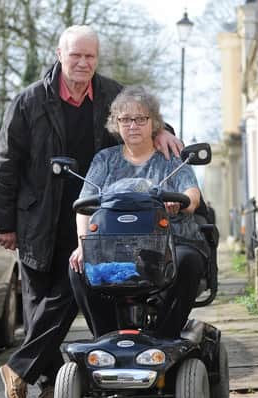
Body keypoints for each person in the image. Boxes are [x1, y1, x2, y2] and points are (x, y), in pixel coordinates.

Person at [0, 26, 182, 398]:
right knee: (40, 305)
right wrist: (3, 222)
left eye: (89, 57)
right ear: (59, 53)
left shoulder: (111, 93)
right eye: (75, 55)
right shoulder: (28, 102)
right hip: (39, 218)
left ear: (97, 58)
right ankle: (46, 386)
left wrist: (163, 133)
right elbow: (2, 167)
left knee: (72, 288)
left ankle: (20, 368)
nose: (82, 63)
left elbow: (141, 116)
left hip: (95, 220)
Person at [69, 85, 209, 339]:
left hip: (170, 242)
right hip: (116, 246)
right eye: (125, 119)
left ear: (153, 122)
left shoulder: (170, 158)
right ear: (116, 124)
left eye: (140, 119)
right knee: (79, 267)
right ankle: (108, 339)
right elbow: (84, 205)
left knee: (188, 260)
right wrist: (82, 245)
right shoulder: (105, 160)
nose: (133, 125)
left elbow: (193, 194)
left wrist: (181, 202)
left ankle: (165, 337)